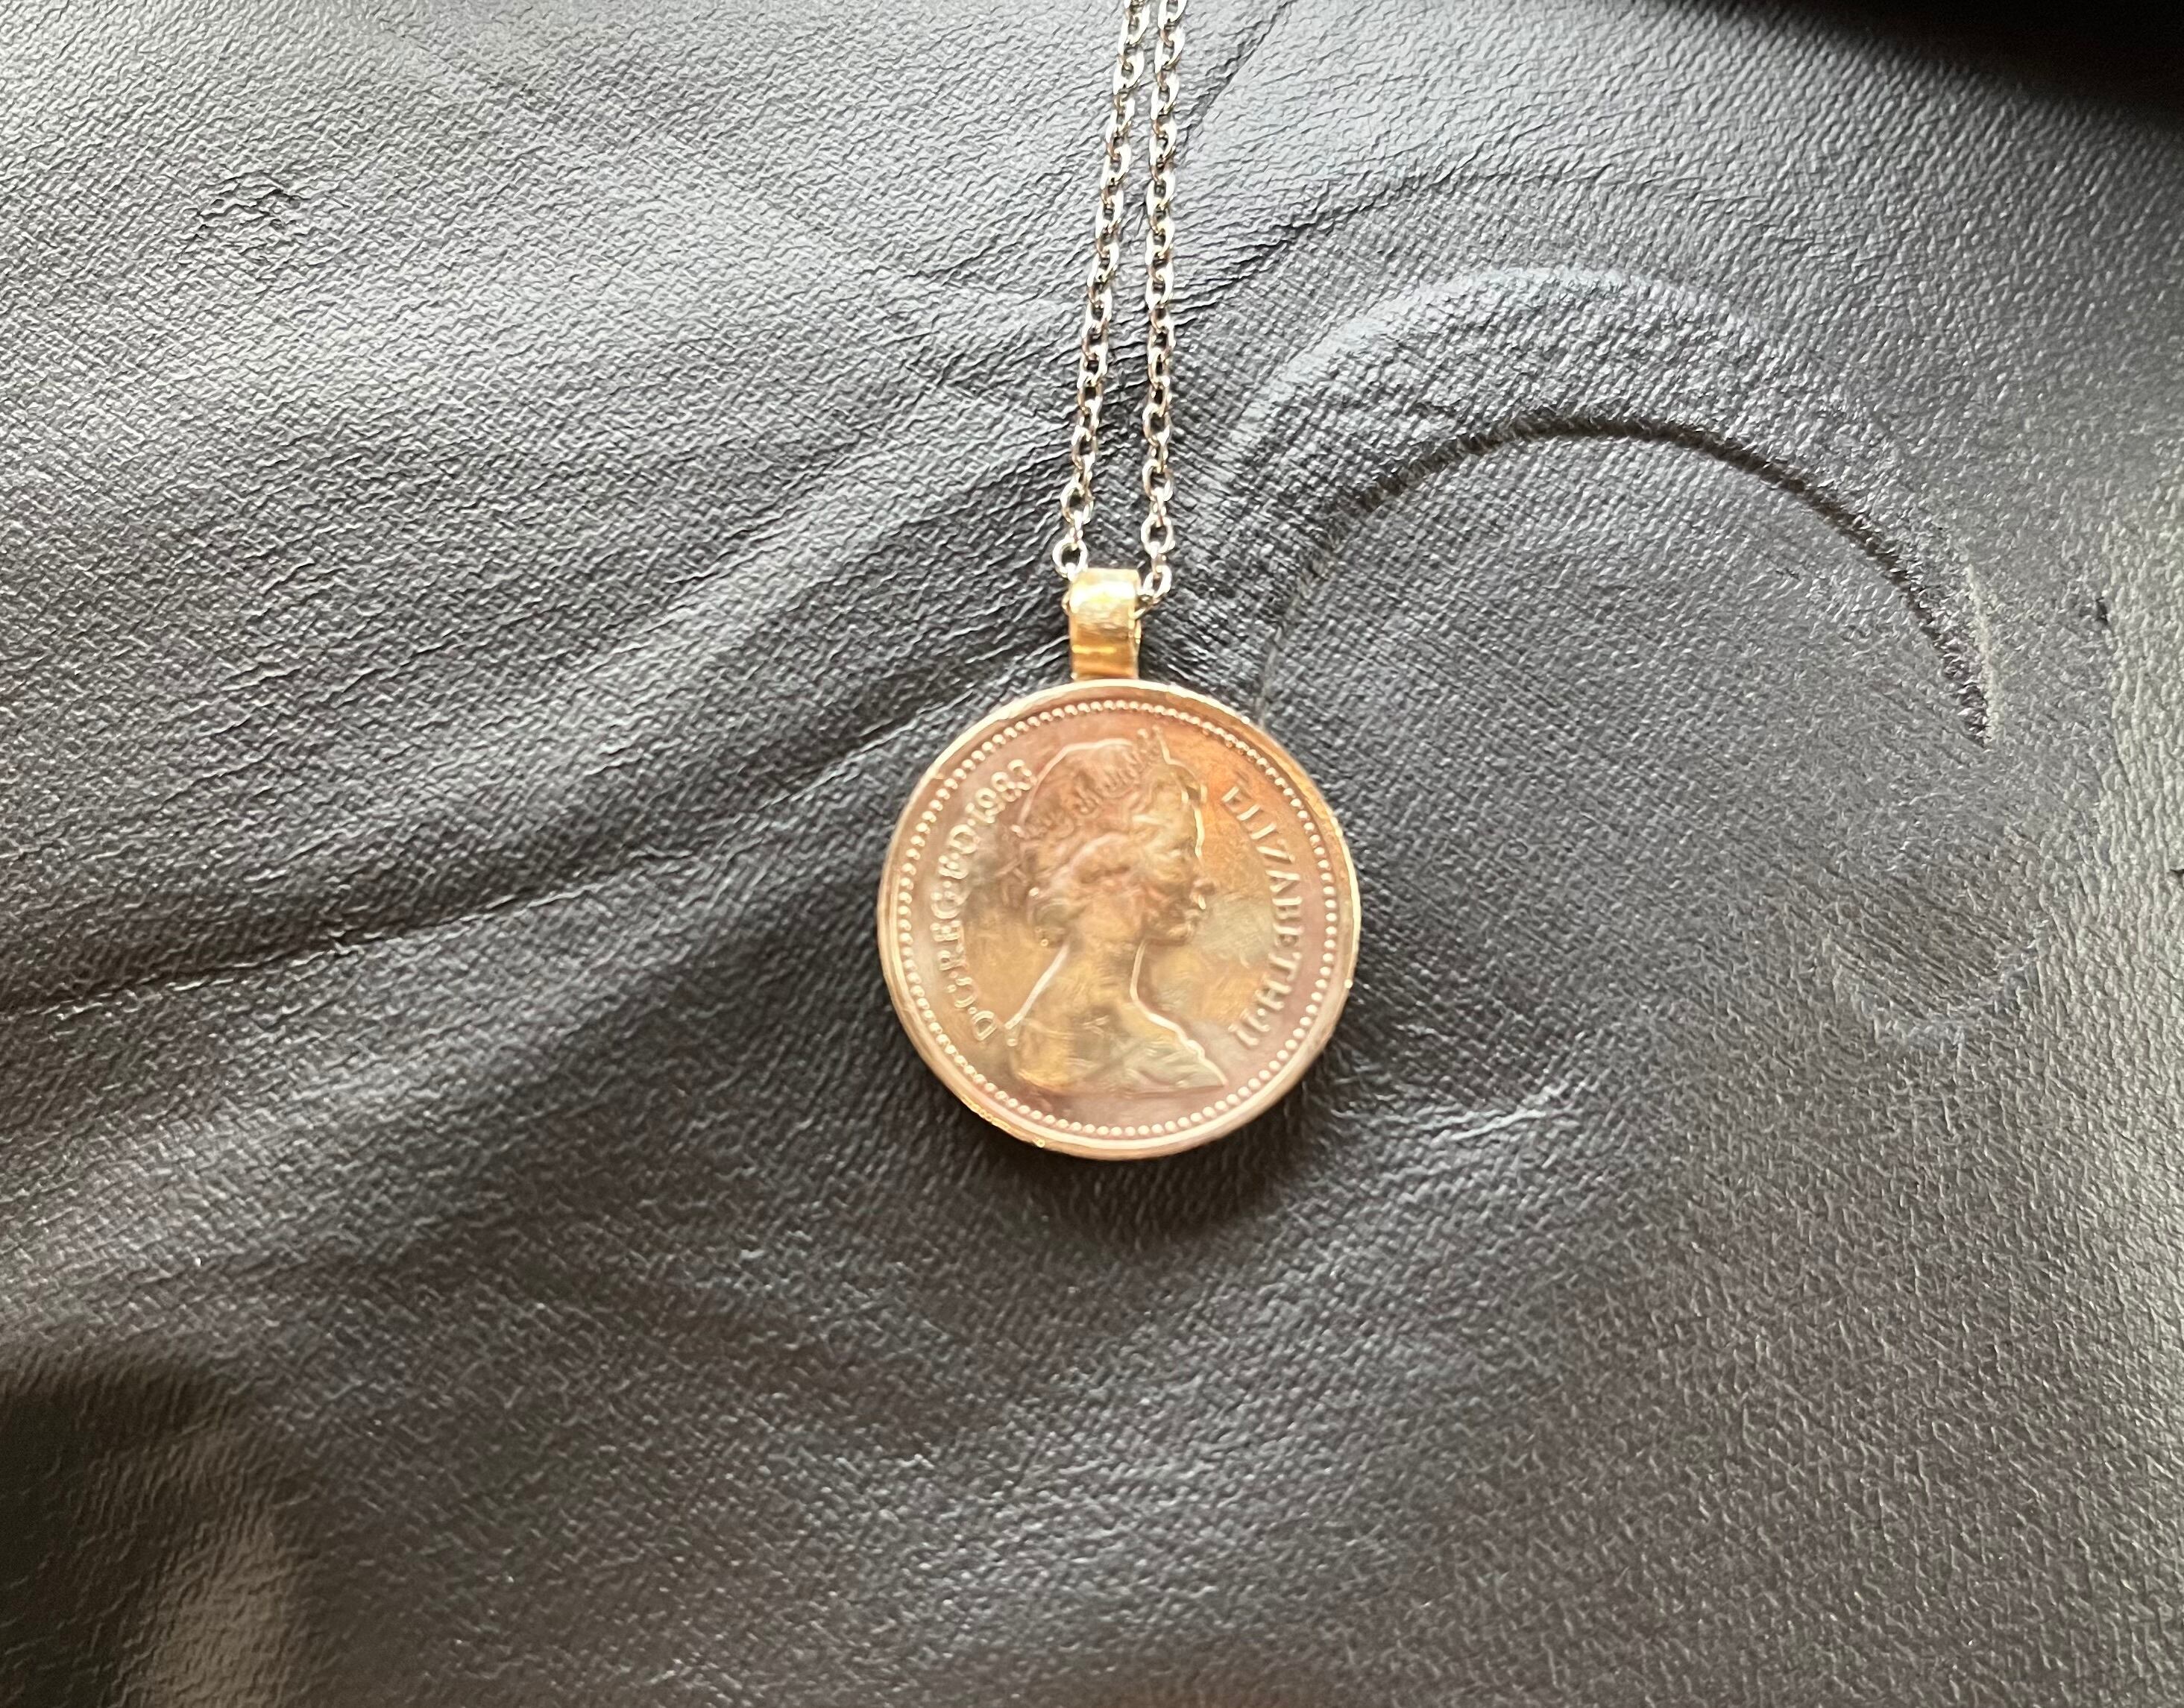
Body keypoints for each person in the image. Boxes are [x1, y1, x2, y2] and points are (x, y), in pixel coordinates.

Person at [1005, 729, 1225, 1095]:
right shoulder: (1141, 1055)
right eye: (1180, 851)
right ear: (1107, 867)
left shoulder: (1148, 1043)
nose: (1205, 880)